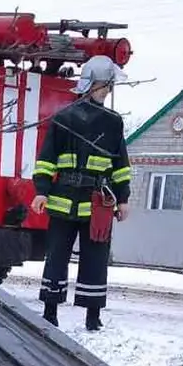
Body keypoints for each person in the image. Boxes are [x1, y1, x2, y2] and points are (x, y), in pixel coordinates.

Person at [30, 56, 132, 331]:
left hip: (96, 201)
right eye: (104, 85)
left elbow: (120, 164)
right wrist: (41, 191)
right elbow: (46, 159)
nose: (107, 91)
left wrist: (123, 199)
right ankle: (50, 312)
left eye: (109, 86)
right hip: (64, 199)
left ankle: (92, 316)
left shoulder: (113, 122)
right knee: (57, 256)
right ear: (91, 84)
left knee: (96, 257)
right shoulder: (63, 118)